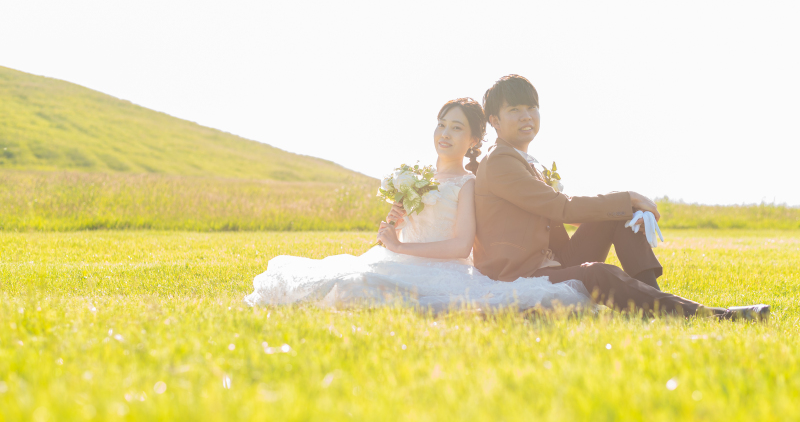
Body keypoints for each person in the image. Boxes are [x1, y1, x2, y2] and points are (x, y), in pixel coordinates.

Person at [244, 98, 590, 311]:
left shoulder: (469, 184)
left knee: (359, 292)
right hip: (395, 258)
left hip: (442, 270)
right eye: (441, 124)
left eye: (456, 128)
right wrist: (393, 227)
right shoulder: (419, 178)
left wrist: (399, 247)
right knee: (342, 283)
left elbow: (460, 246)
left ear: (472, 140)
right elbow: (402, 233)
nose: (445, 133)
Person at [473, 74, 770, 321]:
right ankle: (712, 316)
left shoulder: (523, 160)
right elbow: (561, 208)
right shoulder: (499, 161)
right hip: (520, 275)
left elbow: (564, 211)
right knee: (598, 273)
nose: (526, 116)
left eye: (532, 107)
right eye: (515, 110)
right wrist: (627, 197)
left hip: (550, 261)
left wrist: (623, 206)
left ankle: (654, 303)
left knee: (619, 217)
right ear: (495, 121)